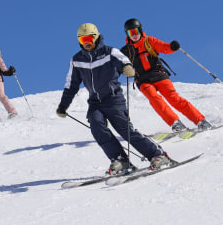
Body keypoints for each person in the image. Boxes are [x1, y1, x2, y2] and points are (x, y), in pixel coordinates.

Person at [56, 23, 171, 175]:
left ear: (96, 37)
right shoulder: (77, 60)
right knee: (96, 126)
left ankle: (158, 155)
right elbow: (71, 85)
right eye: (83, 40)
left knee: (125, 130)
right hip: (95, 102)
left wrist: (127, 67)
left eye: (90, 38)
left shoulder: (109, 52)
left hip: (113, 98)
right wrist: (63, 106)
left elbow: (123, 60)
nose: (87, 43)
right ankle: (120, 160)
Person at [121, 18, 212, 132]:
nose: (134, 35)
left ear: (140, 30)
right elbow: (119, 63)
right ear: (127, 34)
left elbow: (164, 47)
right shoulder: (126, 51)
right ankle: (176, 124)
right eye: (130, 33)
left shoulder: (149, 41)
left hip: (158, 73)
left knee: (174, 98)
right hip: (143, 79)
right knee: (154, 98)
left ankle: (201, 121)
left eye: (135, 31)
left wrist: (172, 47)